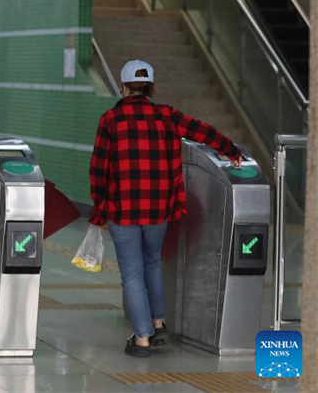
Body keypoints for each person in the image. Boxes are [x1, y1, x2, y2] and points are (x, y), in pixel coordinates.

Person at [89, 60, 241, 358]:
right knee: (152, 263)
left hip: (122, 209)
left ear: (123, 87)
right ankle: (158, 325)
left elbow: (98, 169)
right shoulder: (166, 116)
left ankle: (142, 339)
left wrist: (99, 206)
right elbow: (202, 131)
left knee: (132, 273)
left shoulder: (110, 120)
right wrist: (230, 150)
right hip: (159, 209)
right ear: (150, 88)